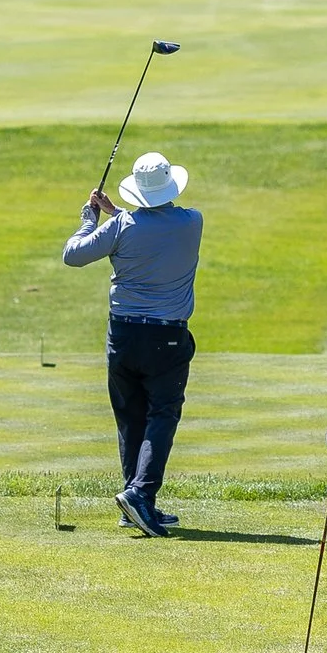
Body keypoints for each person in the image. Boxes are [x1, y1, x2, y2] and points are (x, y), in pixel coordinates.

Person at [65, 151, 202, 537]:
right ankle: (139, 495)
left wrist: (91, 219)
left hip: (123, 336)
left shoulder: (121, 226)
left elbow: (73, 255)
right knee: (162, 414)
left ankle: (136, 501)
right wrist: (115, 214)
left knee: (131, 417)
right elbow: (153, 228)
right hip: (167, 337)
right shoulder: (192, 221)